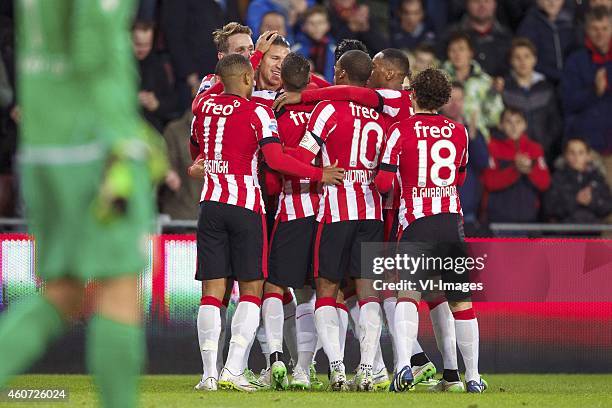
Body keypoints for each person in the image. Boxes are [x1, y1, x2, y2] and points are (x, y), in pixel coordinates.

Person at [0, 1, 166, 407]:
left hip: (43, 145)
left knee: (63, 292)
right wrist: (126, 143)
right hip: (94, 149)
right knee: (121, 284)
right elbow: (91, 51)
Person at [190, 53, 344, 392]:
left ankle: (209, 375)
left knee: (212, 294)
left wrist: (204, 164)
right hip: (246, 207)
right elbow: (275, 159)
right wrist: (319, 173)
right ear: (248, 79)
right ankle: (233, 369)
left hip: (210, 205)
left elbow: (198, 149)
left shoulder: (203, 109)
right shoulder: (258, 111)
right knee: (251, 290)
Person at [375, 68, 487, 393]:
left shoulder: (400, 130)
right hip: (451, 223)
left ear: (413, 96)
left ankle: (403, 369)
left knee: (407, 295)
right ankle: (473, 377)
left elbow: (383, 183)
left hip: (417, 223)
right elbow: (460, 177)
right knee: (461, 303)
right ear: (444, 99)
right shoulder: (459, 132)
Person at [287, 50, 387, 391]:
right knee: (368, 293)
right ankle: (367, 369)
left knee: (326, 290)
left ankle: (337, 367)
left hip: (336, 211)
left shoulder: (326, 109)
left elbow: (302, 156)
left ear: (342, 73)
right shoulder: (379, 115)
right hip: (371, 210)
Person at [561, 6, 612, 187]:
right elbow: (567, 101)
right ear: (587, 30)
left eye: (605, 29)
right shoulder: (576, 61)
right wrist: (594, 91)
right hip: (587, 150)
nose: (600, 34)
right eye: (595, 29)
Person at [482, 107, 551, 224]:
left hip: (529, 218)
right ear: (501, 125)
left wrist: (529, 171)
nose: (514, 127)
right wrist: (515, 169)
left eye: (518, 122)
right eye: (509, 122)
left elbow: (545, 183)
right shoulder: (492, 147)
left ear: (525, 125)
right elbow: (489, 181)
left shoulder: (535, 148)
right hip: (499, 219)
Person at [502, 38, 563, 163]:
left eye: (526, 56)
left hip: (544, 153)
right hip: (512, 155)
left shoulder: (546, 88)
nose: (522, 62)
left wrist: (544, 145)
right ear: (511, 61)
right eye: (517, 58)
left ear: (534, 59)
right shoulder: (504, 89)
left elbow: (555, 122)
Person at [442, 31, 504, 140]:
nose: (457, 54)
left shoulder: (485, 81)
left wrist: (493, 95)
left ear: (470, 53)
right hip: (445, 136)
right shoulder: (439, 79)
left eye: (461, 49)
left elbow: (494, 118)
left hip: (477, 138)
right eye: (453, 50)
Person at [544, 137, 612, 225]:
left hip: (592, 234)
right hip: (564, 233)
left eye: (581, 153)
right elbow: (549, 208)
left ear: (588, 156)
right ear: (565, 155)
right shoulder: (557, 178)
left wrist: (591, 202)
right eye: (572, 153)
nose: (576, 157)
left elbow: (608, 207)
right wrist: (575, 200)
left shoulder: (597, 178)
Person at [440, 0, 513, 77]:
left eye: (487, 1)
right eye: (476, 1)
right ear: (467, 4)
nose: (482, 5)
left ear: (495, 4)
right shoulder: (450, 35)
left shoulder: (506, 36)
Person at [132, 21, 178, 133]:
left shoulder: (157, 64)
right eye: (138, 44)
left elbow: (173, 102)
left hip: (151, 128)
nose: (142, 49)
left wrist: (157, 104)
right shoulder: (118, 64)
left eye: (147, 45)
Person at [517, 0, 578, 84]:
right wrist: (558, 75)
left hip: (571, 80)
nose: (552, 2)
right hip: (542, 83)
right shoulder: (528, 25)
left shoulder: (573, 21)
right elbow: (527, 59)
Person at [292, 6, 336, 83]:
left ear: (328, 25)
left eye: (320, 23)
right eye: (311, 23)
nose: (316, 27)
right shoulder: (294, 51)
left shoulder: (335, 51)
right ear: (303, 27)